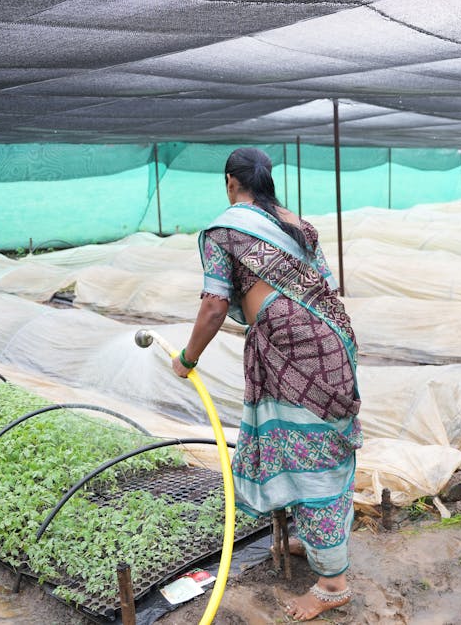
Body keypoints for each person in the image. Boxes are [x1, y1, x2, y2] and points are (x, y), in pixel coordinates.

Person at [172, 147, 362, 621]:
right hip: (332, 345)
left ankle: (332, 585)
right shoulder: (296, 223)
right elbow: (325, 286)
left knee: (308, 455)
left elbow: (215, 306)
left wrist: (187, 359)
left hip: (290, 356)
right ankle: (318, 543)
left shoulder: (225, 231)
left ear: (230, 181)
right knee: (319, 449)